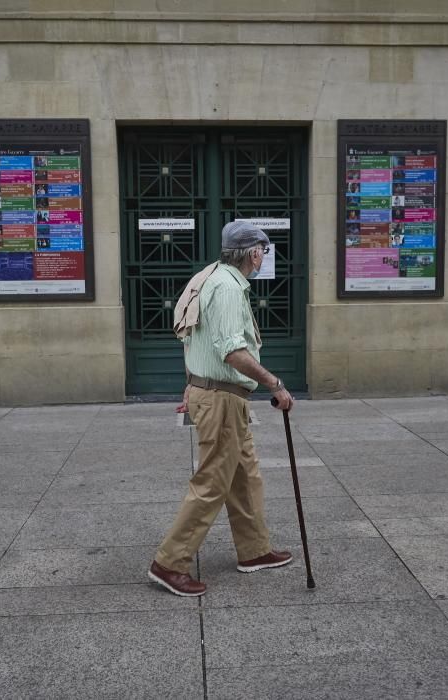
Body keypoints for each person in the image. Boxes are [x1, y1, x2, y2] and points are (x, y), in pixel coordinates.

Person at [148, 221, 295, 597]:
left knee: (245, 475)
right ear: (253, 253)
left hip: (213, 392)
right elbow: (232, 351)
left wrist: (194, 384)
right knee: (213, 481)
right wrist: (274, 383)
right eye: (263, 249)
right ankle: (169, 563)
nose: (264, 255)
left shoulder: (208, 277)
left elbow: (191, 336)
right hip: (223, 398)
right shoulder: (228, 288)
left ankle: (255, 551)